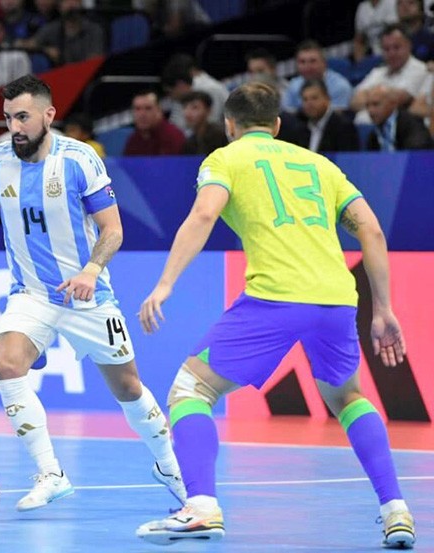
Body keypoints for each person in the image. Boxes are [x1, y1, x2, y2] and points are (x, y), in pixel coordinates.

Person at [134, 82, 416, 549]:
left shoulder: (225, 159)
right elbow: (372, 229)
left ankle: (201, 506)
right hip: (336, 300)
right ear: (279, 125)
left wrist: (164, 284)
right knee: (347, 398)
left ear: (229, 125)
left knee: (192, 388)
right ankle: (397, 511)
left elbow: (204, 215)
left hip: (275, 299)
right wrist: (382, 308)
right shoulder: (320, 164)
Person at [0, 74, 186, 513]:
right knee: (5, 363)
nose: (14, 127)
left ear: (48, 115)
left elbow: (113, 229)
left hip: (89, 296)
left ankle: (168, 465)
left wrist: (91, 269)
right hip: (32, 294)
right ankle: (50, 473)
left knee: (130, 389)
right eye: (7, 119)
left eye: (22, 117)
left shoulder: (80, 160)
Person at [281, 40, 354, 113]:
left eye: (312, 61)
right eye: (302, 62)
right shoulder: (293, 85)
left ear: (324, 63)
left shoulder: (340, 86)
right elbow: (288, 115)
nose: (307, 66)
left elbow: (338, 118)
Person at [293, 79, 360, 153]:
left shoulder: (343, 126)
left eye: (314, 98)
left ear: (327, 99)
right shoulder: (299, 126)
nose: (309, 104)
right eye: (305, 99)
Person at [365, 84, 434, 150]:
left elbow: (418, 150)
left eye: (376, 104)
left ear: (393, 103)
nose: (370, 110)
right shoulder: (374, 134)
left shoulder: (412, 124)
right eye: (367, 105)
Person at [124, 90, 185, 156]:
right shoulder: (134, 139)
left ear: (159, 111)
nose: (142, 114)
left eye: (148, 108)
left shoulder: (172, 136)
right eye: (137, 109)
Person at [180, 90, 228, 155]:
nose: (188, 113)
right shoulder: (189, 141)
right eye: (185, 107)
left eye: (195, 108)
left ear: (208, 110)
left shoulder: (221, 136)